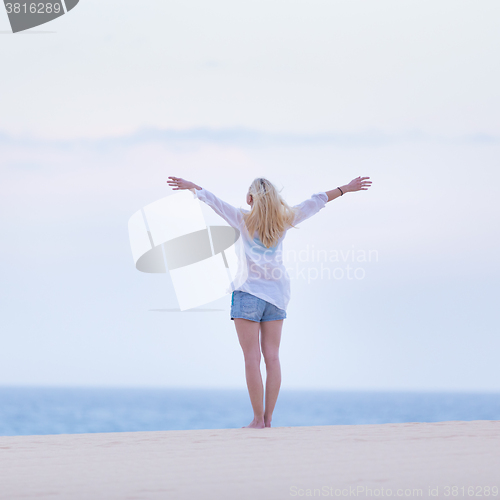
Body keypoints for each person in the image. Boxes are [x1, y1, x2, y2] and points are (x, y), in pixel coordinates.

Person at [166, 175, 372, 428]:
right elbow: (316, 202)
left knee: (252, 358)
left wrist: (194, 188)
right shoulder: (284, 220)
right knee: (272, 358)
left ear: (250, 198)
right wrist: (346, 189)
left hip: (248, 293)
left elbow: (214, 202)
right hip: (277, 296)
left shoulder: (242, 218)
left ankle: (257, 420)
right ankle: (269, 419)